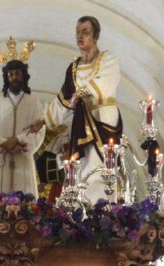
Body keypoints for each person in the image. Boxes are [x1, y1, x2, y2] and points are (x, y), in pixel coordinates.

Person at [30, 16, 122, 203]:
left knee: (101, 167)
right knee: (81, 167)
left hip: (102, 118)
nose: (80, 36)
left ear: (95, 36)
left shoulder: (108, 59)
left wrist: (81, 94)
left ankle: (103, 209)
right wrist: (43, 120)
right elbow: (64, 100)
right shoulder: (73, 68)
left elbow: (104, 83)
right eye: (78, 32)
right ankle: (83, 209)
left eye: (85, 32)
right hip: (80, 122)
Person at [0, 52, 45, 197]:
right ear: (6, 77)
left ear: (24, 76)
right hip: (0, 160)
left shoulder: (33, 102)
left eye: (17, 73)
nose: (14, 77)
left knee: (25, 207)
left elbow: (39, 130)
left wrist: (18, 140)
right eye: (10, 74)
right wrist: (5, 143)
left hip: (23, 160)